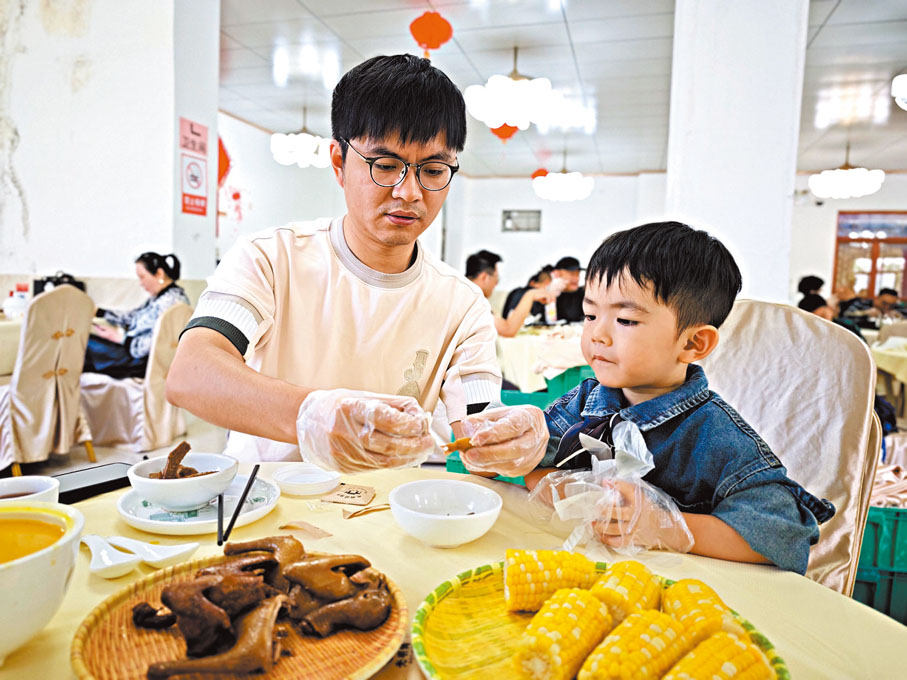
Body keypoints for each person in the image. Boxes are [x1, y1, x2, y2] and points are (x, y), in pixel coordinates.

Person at [166, 54, 501, 465]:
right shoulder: (271, 259)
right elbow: (192, 372)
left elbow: (481, 423)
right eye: (386, 164)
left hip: (389, 512)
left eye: (432, 170)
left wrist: (517, 441)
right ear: (340, 162)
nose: (409, 192)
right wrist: (312, 414)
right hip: (268, 502)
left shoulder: (462, 303)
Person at [458, 222, 835, 574]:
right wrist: (502, 450)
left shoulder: (714, 435)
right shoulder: (586, 401)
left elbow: (786, 537)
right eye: (590, 315)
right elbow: (511, 465)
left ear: (692, 343)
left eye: (626, 320)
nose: (598, 336)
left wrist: (667, 526)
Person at [84, 252, 188, 379]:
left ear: (159, 274)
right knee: (85, 342)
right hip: (134, 354)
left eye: (142, 277)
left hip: (142, 361)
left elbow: (157, 341)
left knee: (84, 344)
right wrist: (101, 313)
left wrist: (122, 338)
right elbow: (133, 317)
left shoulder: (171, 302)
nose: (141, 283)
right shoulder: (159, 298)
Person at [465, 250, 554, 337]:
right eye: (497, 279)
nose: (496, 284)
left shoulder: (464, 293)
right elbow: (508, 329)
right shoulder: (470, 301)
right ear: (484, 277)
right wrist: (530, 295)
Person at [550, 256, 585, 322]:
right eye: (572, 274)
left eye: (578, 274)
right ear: (556, 274)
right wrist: (550, 295)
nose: (576, 279)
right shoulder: (542, 296)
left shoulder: (583, 294)